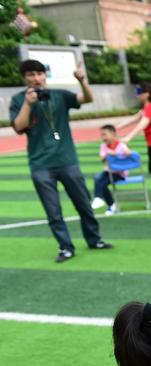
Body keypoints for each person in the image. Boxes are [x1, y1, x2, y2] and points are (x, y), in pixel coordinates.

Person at [9, 59, 113, 263]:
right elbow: (19, 127)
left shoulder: (60, 95)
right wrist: (28, 104)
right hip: (40, 165)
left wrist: (82, 81)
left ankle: (94, 240)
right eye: (31, 74)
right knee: (53, 211)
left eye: (40, 74)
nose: (36, 78)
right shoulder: (18, 99)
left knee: (84, 204)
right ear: (24, 78)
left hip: (67, 160)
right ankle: (66, 247)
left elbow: (87, 98)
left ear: (45, 75)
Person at [92, 124, 133, 215]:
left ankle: (111, 205)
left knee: (102, 184)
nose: (103, 137)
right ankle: (99, 198)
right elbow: (102, 160)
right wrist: (107, 154)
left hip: (120, 173)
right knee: (97, 178)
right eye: (101, 135)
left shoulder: (121, 145)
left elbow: (130, 155)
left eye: (105, 134)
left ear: (113, 134)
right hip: (109, 171)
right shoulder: (103, 146)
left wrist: (118, 154)